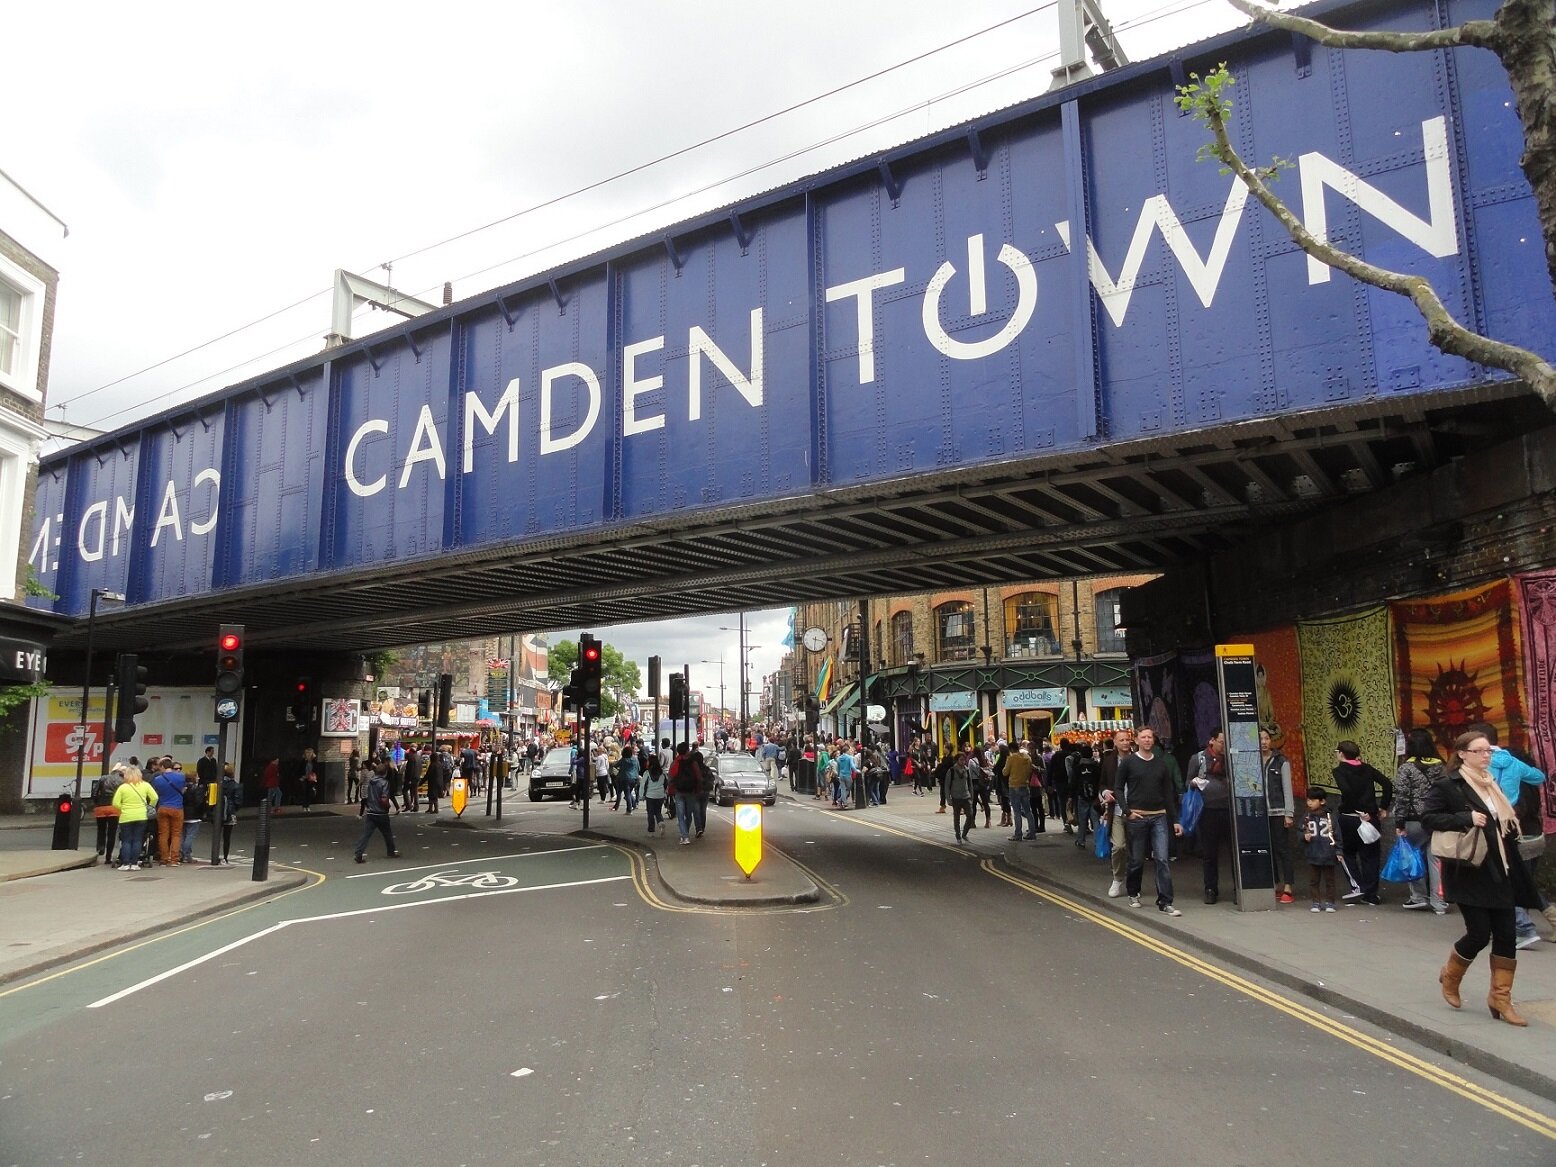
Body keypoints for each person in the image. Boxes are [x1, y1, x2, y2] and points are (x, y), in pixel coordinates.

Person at [1424, 730, 1543, 1027]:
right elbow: (1428, 818)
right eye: (1479, 751)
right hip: (1470, 870)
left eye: (1488, 751)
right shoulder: (1449, 786)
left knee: (1506, 934)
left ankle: (1500, 998)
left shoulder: (1492, 784)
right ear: (1462, 754)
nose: (1486, 756)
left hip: (1501, 868)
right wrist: (1465, 818)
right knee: (1478, 934)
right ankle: (1450, 977)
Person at [1464, 721, 1548, 949]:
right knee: (1515, 876)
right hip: (1519, 827)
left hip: (1495, 825)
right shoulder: (1514, 763)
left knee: (1504, 878)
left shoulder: (1479, 767)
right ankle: (1513, 924)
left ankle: (1523, 926)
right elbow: (1539, 777)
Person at [1112, 726, 1183, 916]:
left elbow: (1168, 793)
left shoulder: (1161, 764)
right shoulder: (1128, 763)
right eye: (1143, 737)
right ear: (1136, 740)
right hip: (1137, 817)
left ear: (1153, 740)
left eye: (1150, 737)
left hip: (1159, 815)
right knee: (1136, 860)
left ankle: (1166, 901)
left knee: (1162, 859)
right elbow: (1118, 788)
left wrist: (1175, 819)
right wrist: (1127, 812)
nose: (1147, 740)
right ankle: (1133, 892)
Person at [1392, 730, 1447, 914]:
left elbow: (1402, 797)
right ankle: (1439, 902)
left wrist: (1399, 823)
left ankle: (1418, 897)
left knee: (1412, 856)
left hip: (1414, 820)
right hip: (1437, 819)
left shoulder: (1406, 769)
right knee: (1435, 859)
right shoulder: (1441, 766)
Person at [1333, 740, 1385, 905]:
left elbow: (1346, 791)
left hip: (1349, 817)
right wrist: (1383, 807)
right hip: (1371, 817)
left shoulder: (1339, 771)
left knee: (1346, 853)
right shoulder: (1368, 769)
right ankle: (1371, 895)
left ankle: (1358, 886)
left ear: (1341, 754)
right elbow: (1387, 784)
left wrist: (1356, 809)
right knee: (1371, 856)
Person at [1187, 727, 1231, 904]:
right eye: (1221, 741)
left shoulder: (1231, 757)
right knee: (1209, 853)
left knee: (1234, 852)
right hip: (1207, 811)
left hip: (1228, 809)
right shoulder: (1198, 758)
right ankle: (1211, 889)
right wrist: (1195, 783)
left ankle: (1239, 888)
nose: (1224, 745)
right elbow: (1188, 781)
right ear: (1212, 740)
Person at [1260, 729, 1297, 903]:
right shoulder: (1251, 761)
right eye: (1260, 739)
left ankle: (1288, 885)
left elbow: (1287, 789)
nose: (1264, 742)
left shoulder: (1281, 761)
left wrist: (1289, 813)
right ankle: (1274, 883)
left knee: (1283, 849)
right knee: (1268, 849)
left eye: (1267, 738)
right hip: (1260, 812)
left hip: (1278, 811)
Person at [1099, 729, 1134, 896]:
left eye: (1127, 739)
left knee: (1136, 850)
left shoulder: (1137, 759)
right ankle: (1118, 878)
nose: (1125, 742)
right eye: (1122, 740)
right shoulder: (1108, 761)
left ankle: (1134, 885)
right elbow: (1102, 784)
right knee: (1119, 846)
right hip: (1118, 811)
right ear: (1115, 743)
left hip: (1137, 811)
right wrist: (1105, 793)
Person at [353, 761, 402, 864]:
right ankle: (391, 851)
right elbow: (384, 798)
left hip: (371, 811)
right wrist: (387, 806)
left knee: (366, 834)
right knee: (387, 833)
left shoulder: (371, 782)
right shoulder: (384, 783)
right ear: (385, 773)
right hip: (381, 813)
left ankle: (359, 853)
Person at [1302, 787, 1341, 911]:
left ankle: (1330, 902)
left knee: (1329, 880)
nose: (1310, 803)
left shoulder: (1330, 817)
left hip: (1329, 853)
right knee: (1314, 880)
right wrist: (1304, 836)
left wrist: (1339, 851)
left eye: (1313, 800)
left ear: (1322, 801)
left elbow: (1337, 835)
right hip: (1313, 853)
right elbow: (1300, 830)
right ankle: (1316, 902)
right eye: (1308, 800)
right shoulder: (1307, 817)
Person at [111, 766, 157, 871]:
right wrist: (149, 807)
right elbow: (155, 797)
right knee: (138, 840)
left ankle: (126, 863)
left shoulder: (123, 787)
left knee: (126, 840)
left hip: (126, 816)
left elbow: (115, 803)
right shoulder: (145, 785)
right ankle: (135, 863)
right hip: (141, 815)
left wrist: (123, 809)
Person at [149, 760, 186, 867]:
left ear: (163, 767)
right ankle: (174, 859)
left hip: (163, 807)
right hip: (177, 808)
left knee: (163, 834)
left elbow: (156, 793)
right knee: (176, 834)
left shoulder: (157, 779)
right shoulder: (181, 777)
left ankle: (164, 858)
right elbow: (183, 790)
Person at [669, 744, 701, 845]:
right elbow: (698, 777)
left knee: (680, 815)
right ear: (687, 751)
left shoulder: (675, 762)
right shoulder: (693, 763)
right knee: (688, 814)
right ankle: (685, 833)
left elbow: (671, 777)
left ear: (678, 751)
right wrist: (698, 789)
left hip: (679, 791)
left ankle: (685, 836)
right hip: (691, 791)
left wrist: (670, 789)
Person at [92, 765, 124, 866]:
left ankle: (101, 847)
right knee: (112, 832)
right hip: (114, 807)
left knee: (101, 829)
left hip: (101, 806)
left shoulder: (103, 778)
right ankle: (108, 856)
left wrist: (97, 803)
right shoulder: (121, 781)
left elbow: (94, 793)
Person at [1006, 741, 1037, 841]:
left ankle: (1018, 834)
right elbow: (1030, 770)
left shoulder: (1011, 758)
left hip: (1014, 786)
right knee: (1028, 811)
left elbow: (1005, 772)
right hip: (1025, 785)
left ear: (1011, 749)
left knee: (1017, 812)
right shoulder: (1027, 758)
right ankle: (1032, 833)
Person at [946, 748, 977, 843]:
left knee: (970, 815)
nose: (963, 762)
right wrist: (948, 799)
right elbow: (947, 785)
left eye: (964, 760)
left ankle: (964, 834)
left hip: (966, 796)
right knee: (957, 818)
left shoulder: (967, 770)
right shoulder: (951, 771)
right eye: (961, 760)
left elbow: (970, 784)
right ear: (957, 760)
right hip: (956, 797)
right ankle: (958, 835)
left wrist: (971, 796)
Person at [219, 763, 241, 866]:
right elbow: (238, 802)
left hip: (218, 812)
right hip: (230, 812)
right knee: (227, 837)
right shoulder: (235, 785)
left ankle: (215, 855)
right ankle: (225, 857)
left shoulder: (219, 784)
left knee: (217, 835)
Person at [639, 756, 667, 835]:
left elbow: (643, 785)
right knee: (658, 811)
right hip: (660, 795)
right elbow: (666, 784)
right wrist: (665, 794)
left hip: (650, 795)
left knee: (650, 813)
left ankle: (651, 831)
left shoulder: (647, 773)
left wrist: (641, 795)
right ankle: (661, 822)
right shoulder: (662, 773)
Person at [299, 747, 318, 812]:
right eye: (307, 753)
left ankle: (308, 805)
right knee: (304, 792)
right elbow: (299, 769)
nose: (308, 754)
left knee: (310, 793)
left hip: (311, 779)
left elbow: (316, 770)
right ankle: (304, 806)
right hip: (304, 778)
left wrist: (315, 777)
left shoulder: (314, 761)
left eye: (310, 753)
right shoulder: (303, 761)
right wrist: (301, 777)